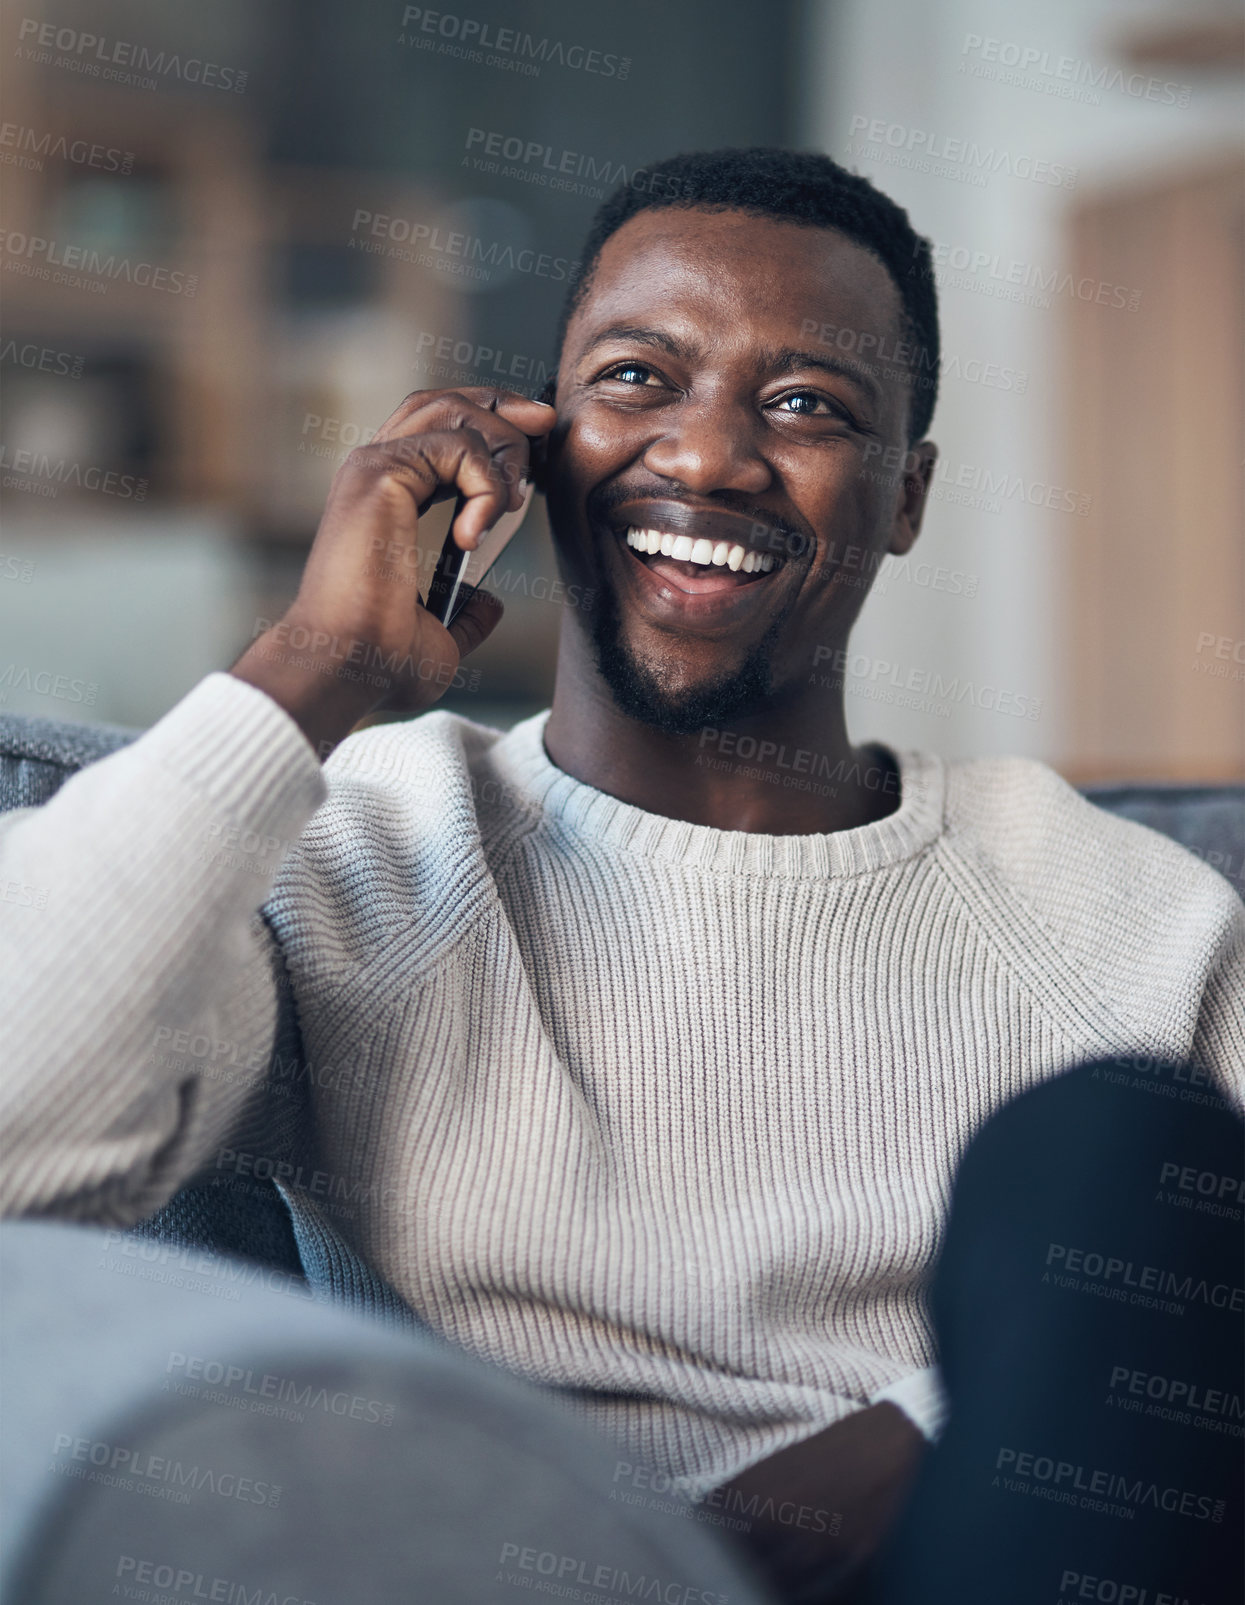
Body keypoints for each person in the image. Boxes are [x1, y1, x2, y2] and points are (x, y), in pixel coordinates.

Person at [2, 148, 1241, 1602]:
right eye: (638, 379)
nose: (707, 455)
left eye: (803, 405)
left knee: (1114, 1145)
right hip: (517, 1564)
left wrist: (900, 1447)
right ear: (527, 446)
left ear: (901, 496)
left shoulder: (1122, 912)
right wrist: (314, 669)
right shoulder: (354, 848)